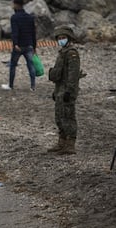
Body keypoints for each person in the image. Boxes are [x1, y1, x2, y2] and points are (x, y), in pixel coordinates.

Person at [47, 26, 82, 155]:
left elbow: (73, 74)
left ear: (69, 38)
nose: (61, 40)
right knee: (59, 116)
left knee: (68, 116)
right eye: (59, 38)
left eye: (63, 38)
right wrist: (56, 91)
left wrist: (69, 91)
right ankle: (61, 142)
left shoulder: (71, 53)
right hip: (60, 88)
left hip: (67, 89)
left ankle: (70, 144)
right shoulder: (63, 52)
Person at [1, 0, 36, 92]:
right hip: (29, 45)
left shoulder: (14, 17)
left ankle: (11, 85)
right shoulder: (30, 17)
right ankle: (32, 86)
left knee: (13, 65)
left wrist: (15, 43)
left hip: (19, 46)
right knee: (30, 65)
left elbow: (15, 32)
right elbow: (33, 32)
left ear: (16, 5)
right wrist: (34, 46)